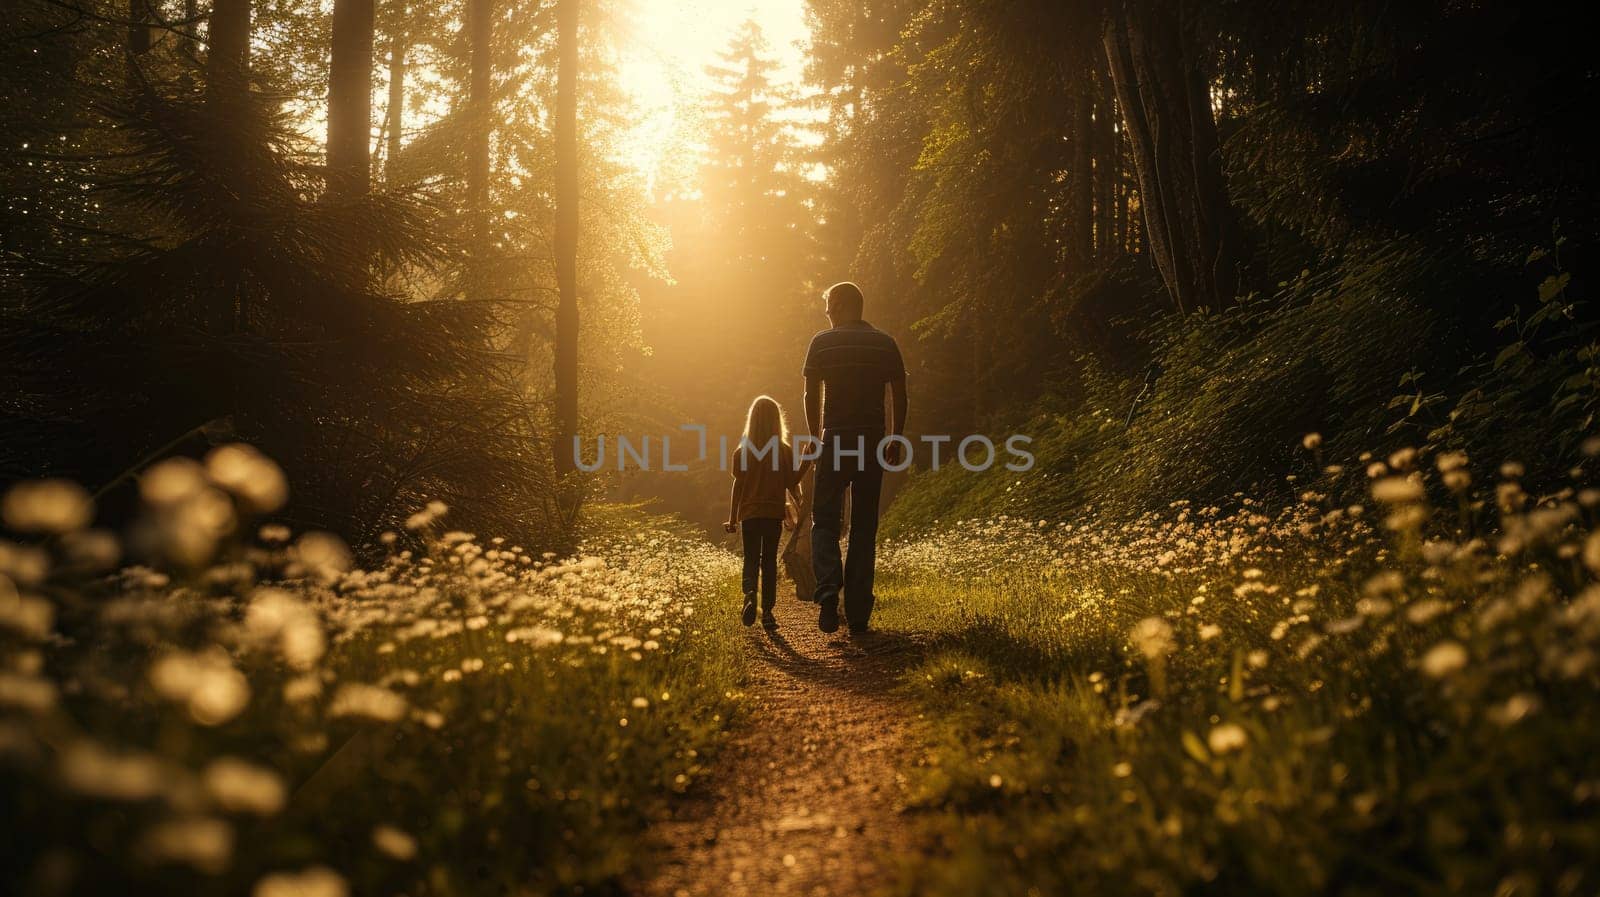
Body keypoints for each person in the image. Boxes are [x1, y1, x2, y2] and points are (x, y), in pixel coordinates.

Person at [802, 282, 908, 636]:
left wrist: (815, 437)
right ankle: (859, 611)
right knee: (864, 525)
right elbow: (900, 392)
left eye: (829, 306)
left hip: (834, 440)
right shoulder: (885, 343)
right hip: (872, 442)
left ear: (842, 304)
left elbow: (810, 393)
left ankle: (829, 591)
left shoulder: (821, 343)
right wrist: (895, 435)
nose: (827, 313)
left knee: (825, 518)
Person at [723, 395, 807, 630]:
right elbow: (791, 482)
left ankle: (750, 594)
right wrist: (807, 462)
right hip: (772, 514)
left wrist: (732, 518)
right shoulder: (784, 450)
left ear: (752, 420)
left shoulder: (742, 451)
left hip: (749, 514)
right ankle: (768, 613)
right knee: (768, 561)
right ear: (776, 421)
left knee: (750, 558)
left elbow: (738, 486)